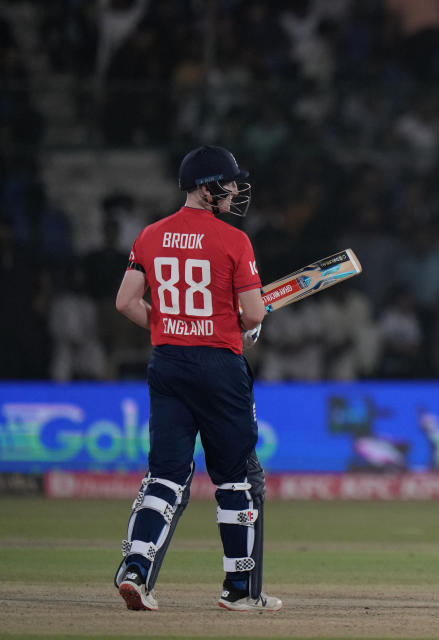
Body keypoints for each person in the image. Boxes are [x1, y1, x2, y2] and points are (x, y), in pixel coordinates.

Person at [112, 145, 281, 612]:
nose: (234, 190)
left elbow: (126, 302)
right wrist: (249, 323)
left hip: (167, 363)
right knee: (235, 479)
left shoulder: (150, 235)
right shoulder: (234, 240)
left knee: (165, 474)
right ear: (208, 189)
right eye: (227, 183)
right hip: (219, 369)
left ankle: (135, 570)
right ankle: (240, 591)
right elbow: (250, 313)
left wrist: (173, 324)